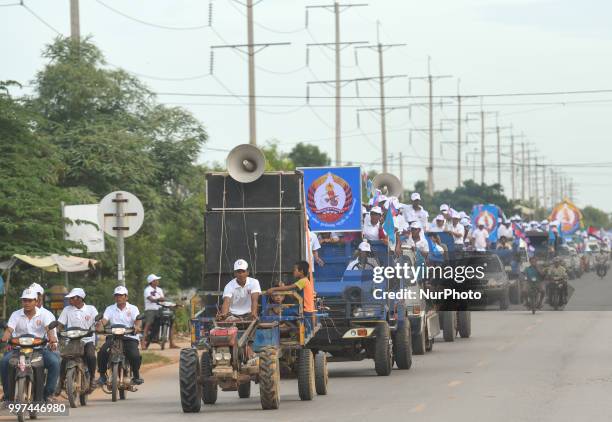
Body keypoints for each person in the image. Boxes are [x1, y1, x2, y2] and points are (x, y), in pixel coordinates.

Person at [1, 288, 59, 402]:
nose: (26, 303)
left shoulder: (44, 314)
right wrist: (5, 337)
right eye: (24, 300)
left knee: (54, 362)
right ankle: (8, 396)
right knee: (4, 362)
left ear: (36, 301)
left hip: (39, 350)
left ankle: (47, 394)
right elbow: (9, 329)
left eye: (29, 300)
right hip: (18, 350)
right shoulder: (16, 314)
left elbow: (49, 329)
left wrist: (52, 338)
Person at [96, 286, 143, 386]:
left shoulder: (133, 308)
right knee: (102, 352)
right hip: (113, 337)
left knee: (134, 355)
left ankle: (136, 375)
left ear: (126, 297)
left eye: (121, 295)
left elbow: (137, 320)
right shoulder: (110, 308)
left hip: (130, 337)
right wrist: (100, 325)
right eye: (116, 295)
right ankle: (102, 375)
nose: (118, 297)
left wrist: (137, 327)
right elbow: (104, 320)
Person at [56, 288, 98, 393]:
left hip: (87, 340)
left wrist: (98, 327)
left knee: (91, 356)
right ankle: (60, 382)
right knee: (64, 359)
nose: (70, 300)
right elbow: (60, 325)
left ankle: (92, 378)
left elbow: (98, 323)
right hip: (71, 340)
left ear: (80, 298)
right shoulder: (67, 310)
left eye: (72, 297)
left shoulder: (91, 309)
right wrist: (58, 331)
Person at [266, 261, 315, 330]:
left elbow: (289, 287)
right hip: (306, 308)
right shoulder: (305, 281)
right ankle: (294, 328)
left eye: (295, 270)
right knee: (306, 326)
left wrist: (273, 289)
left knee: (281, 313)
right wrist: (283, 287)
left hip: (304, 308)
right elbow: (295, 295)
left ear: (301, 271)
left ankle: (292, 328)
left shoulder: (303, 281)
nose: (293, 272)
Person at [142, 274, 165, 349]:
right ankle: (143, 342)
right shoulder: (147, 290)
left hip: (159, 309)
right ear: (152, 282)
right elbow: (150, 299)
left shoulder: (159, 290)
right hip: (150, 309)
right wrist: (158, 299)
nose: (157, 281)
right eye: (156, 280)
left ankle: (164, 340)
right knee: (148, 324)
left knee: (165, 322)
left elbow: (163, 299)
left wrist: (158, 300)